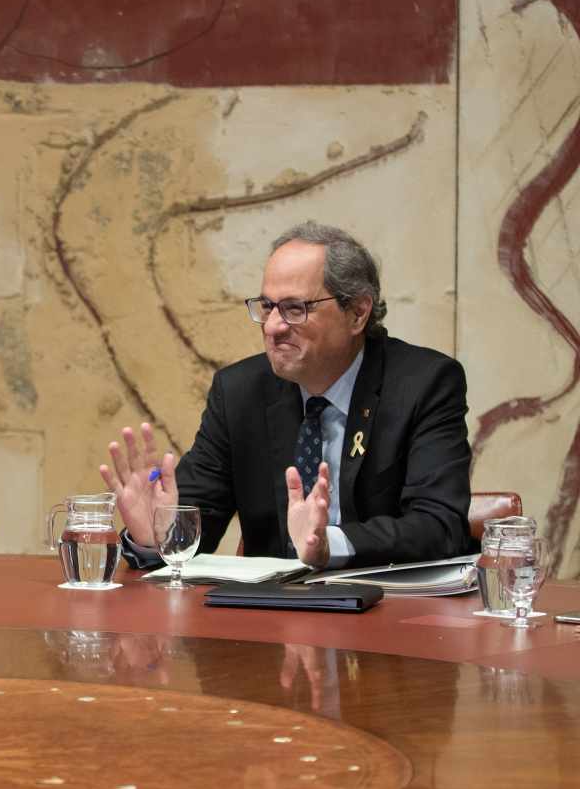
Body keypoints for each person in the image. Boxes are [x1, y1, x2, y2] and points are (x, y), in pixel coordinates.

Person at [100, 221, 472, 570]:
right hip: (271, 623)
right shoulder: (240, 391)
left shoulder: (425, 383)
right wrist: (158, 536)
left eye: (295, 308)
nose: (274, 327)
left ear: (358, 313)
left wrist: (330, 543)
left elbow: (439, 528)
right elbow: (197, 523)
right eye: (267, 307)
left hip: (388, 616)